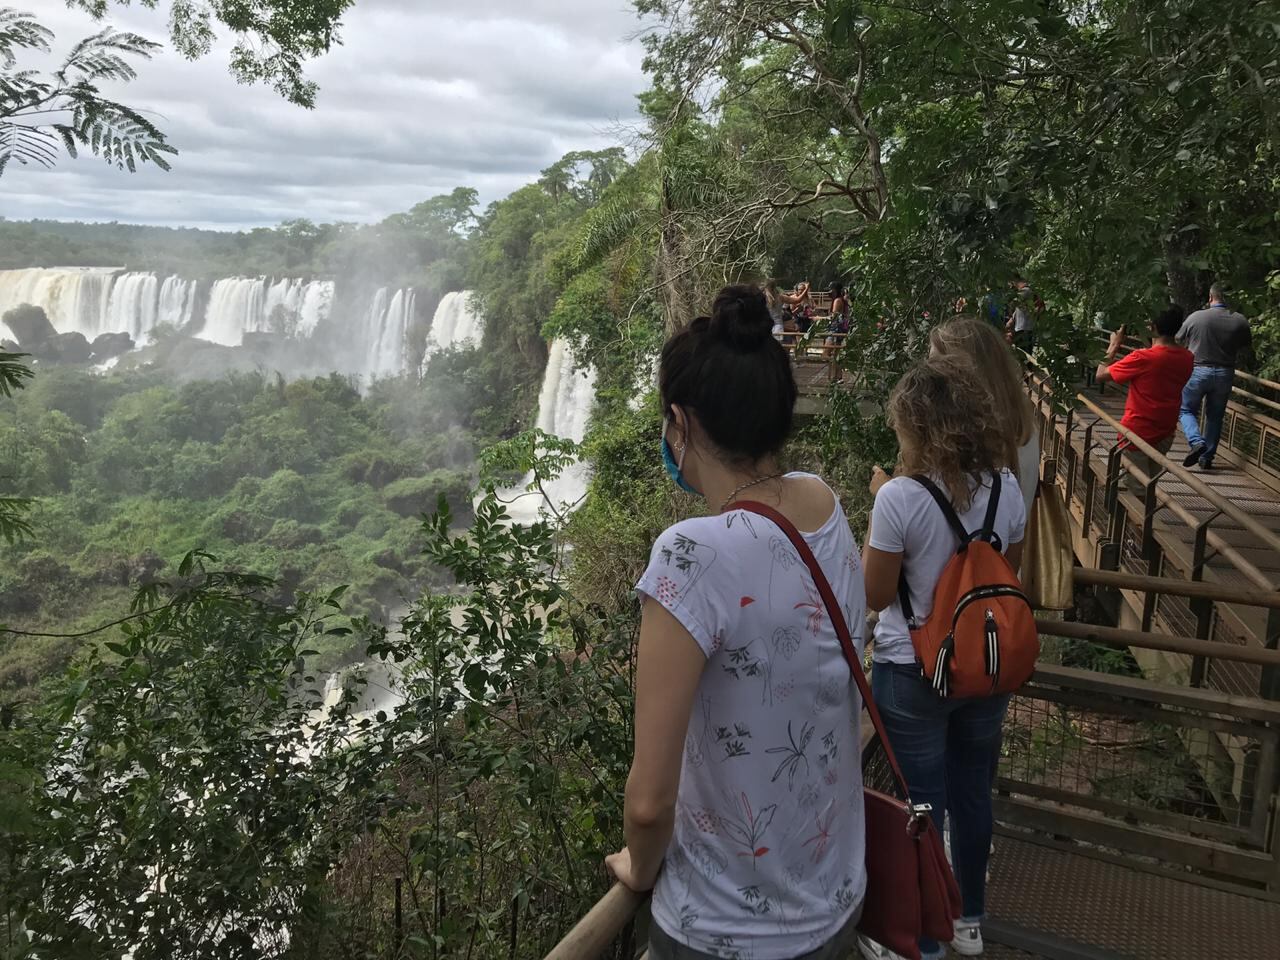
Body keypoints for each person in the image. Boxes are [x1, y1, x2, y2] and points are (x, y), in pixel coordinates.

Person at [606, 284, 868, 960]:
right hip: (835, 903)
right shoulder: (825, 506)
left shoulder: (691, 556)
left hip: (724, 933)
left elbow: (647, 802)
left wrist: (638, 867)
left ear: (680, 423)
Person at [857, 358, 1026, 960]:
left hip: (913, 672)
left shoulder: (900, 497)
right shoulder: (1007, 485)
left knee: (920, 805)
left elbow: (875, 594)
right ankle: (969, 922)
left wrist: (882, 501)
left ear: (915, 427)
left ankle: (924, 939)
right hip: (985, 669)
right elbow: (1011, 574)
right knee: (972, 793)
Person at [928, 317, 1040, 516]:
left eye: (936, 367)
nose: (927, 376)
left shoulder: (969, 440)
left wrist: (890, 494)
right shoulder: (1023, 428)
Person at [1095, 305, 1194, 494]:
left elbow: (1101, 375)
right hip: (1165, 432)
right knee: (1149, 485)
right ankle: (1144, 517)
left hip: (1137, 433)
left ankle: (1142, 523)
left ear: (1152, 327)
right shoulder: (1187, 358)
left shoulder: (1143, 358)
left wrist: (1114, 344)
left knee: (1137, 489)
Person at [1177, 283, 1252, 470]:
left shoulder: (1196, 317)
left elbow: (1178, 338)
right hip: (1225, 373)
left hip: (1197, 370)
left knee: (1186, 409)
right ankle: (1206, 457)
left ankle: (1196, 442)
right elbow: (1245, 347)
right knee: (1215, 417)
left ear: (1210, 297)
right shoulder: (1240, 320)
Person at [1005, 279, 1036, 352]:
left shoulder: (1025, 290)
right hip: (1020, 329)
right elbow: (1018, 310)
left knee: (1024, 352)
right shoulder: (1023, 294)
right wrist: (1010, 322)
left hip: (1025, 328)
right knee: (1020, 351)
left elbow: (1013, 303)